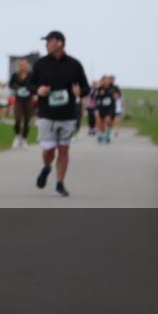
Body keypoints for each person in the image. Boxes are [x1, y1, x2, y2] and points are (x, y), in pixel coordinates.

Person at [29, 30, 89, 198]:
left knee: (64, 150)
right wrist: (38, 90)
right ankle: (47, 166)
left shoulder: (74, 65)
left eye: (49, 41)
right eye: (46, 42)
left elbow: (86, 88)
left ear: (60, 43)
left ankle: (60, 183)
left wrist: (79, 92)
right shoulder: (41, 64)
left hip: (68, 115)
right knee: (49, 150)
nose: (46, 44)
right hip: (47, 114)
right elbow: (30, 85)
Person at [9, 59, 34, 148]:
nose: (23, 67)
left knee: (27, 120)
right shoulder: (15, 75)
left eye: (24, 65)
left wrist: (28, 88)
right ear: (19, 66)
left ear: (27, 66)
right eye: (21, 65)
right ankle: (17, 136)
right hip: (19, 99)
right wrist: (17, 87)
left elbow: (35, 86)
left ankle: (24, 139)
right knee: (18, 118)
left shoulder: (31, 75)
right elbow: (11, 84)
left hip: (28, 100)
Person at [94, 75, 117, 144]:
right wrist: (100, 94)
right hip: (101, 107)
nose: (106, 81)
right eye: (105, 80)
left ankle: (108, 134)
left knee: (108, 120)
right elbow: (96, 97)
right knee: (101, 123)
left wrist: (115, 96)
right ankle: (102, 135)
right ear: (103, 81)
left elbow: (117, 96)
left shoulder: (113, 88)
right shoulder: (100, 88)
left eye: (107, 80)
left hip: (110, 108)